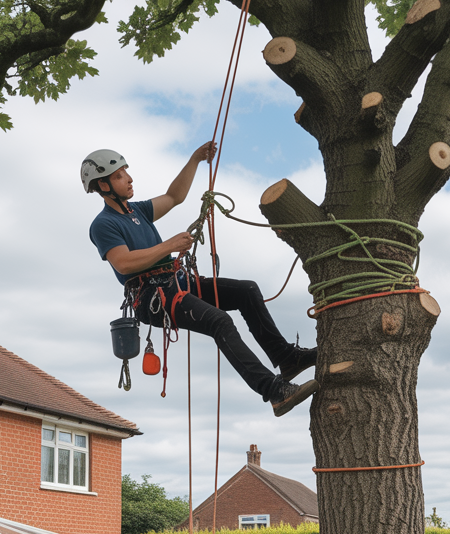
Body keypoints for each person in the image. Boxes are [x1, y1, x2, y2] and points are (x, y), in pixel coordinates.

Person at [84, 143, 317, 416]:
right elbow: (123, 263)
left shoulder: (138, 212)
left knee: (247, 291)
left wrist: (195, 159)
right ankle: (273, 392)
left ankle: (286, 358)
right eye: (120, 175)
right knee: (219, 321)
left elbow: (174, 196)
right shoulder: (103, 224)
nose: (129, 178)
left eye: (126, 172)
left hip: (176, 282)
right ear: (103, 185)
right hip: (152, 297)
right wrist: (167, 246)